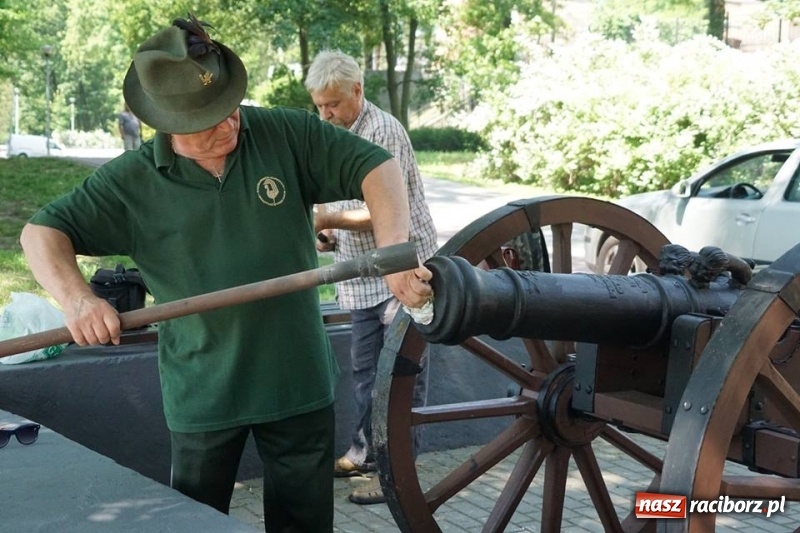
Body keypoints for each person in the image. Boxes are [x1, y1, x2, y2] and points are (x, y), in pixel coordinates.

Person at [19, 14, 432, 533]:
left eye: (229, 107)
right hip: (203, 392)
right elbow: (40, 232)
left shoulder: (283, 132)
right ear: (166, 125)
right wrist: (77, 299)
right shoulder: (131, 183)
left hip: (297, 381)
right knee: (193, 521)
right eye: (209, 119)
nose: (230, 122)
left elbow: (377, 165)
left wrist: (394, 251)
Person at [305, 50, 438, 505]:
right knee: (365, 372)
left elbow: (382, 210)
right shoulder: (329, 128)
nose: (325, 114)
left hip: (403, 267)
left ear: (358, 91)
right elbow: (332, 202)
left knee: (402, 373)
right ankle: (365, 453)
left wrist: (332, 221)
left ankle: (398, 473)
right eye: (320, 106)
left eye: (334, 105)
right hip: (361, 275)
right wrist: (325, 233)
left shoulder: (384, 132)